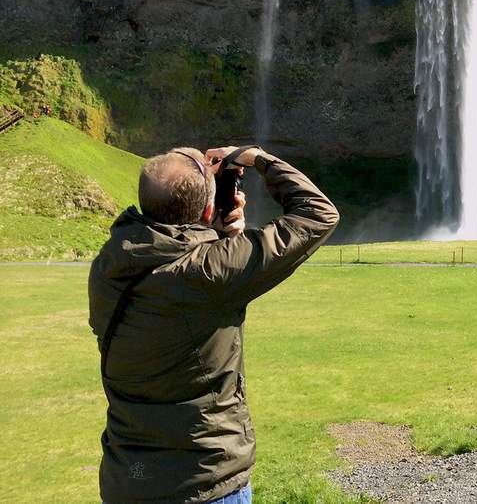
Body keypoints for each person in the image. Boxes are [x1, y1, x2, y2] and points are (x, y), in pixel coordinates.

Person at [88, 145, 339, 504]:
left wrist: (216, 235)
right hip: (203, 482)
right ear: (208, 208)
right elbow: (318, 214)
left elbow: (176, 273)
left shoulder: (110, 264)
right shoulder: (208, 273)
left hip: (129, 478)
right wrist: (254, 156)